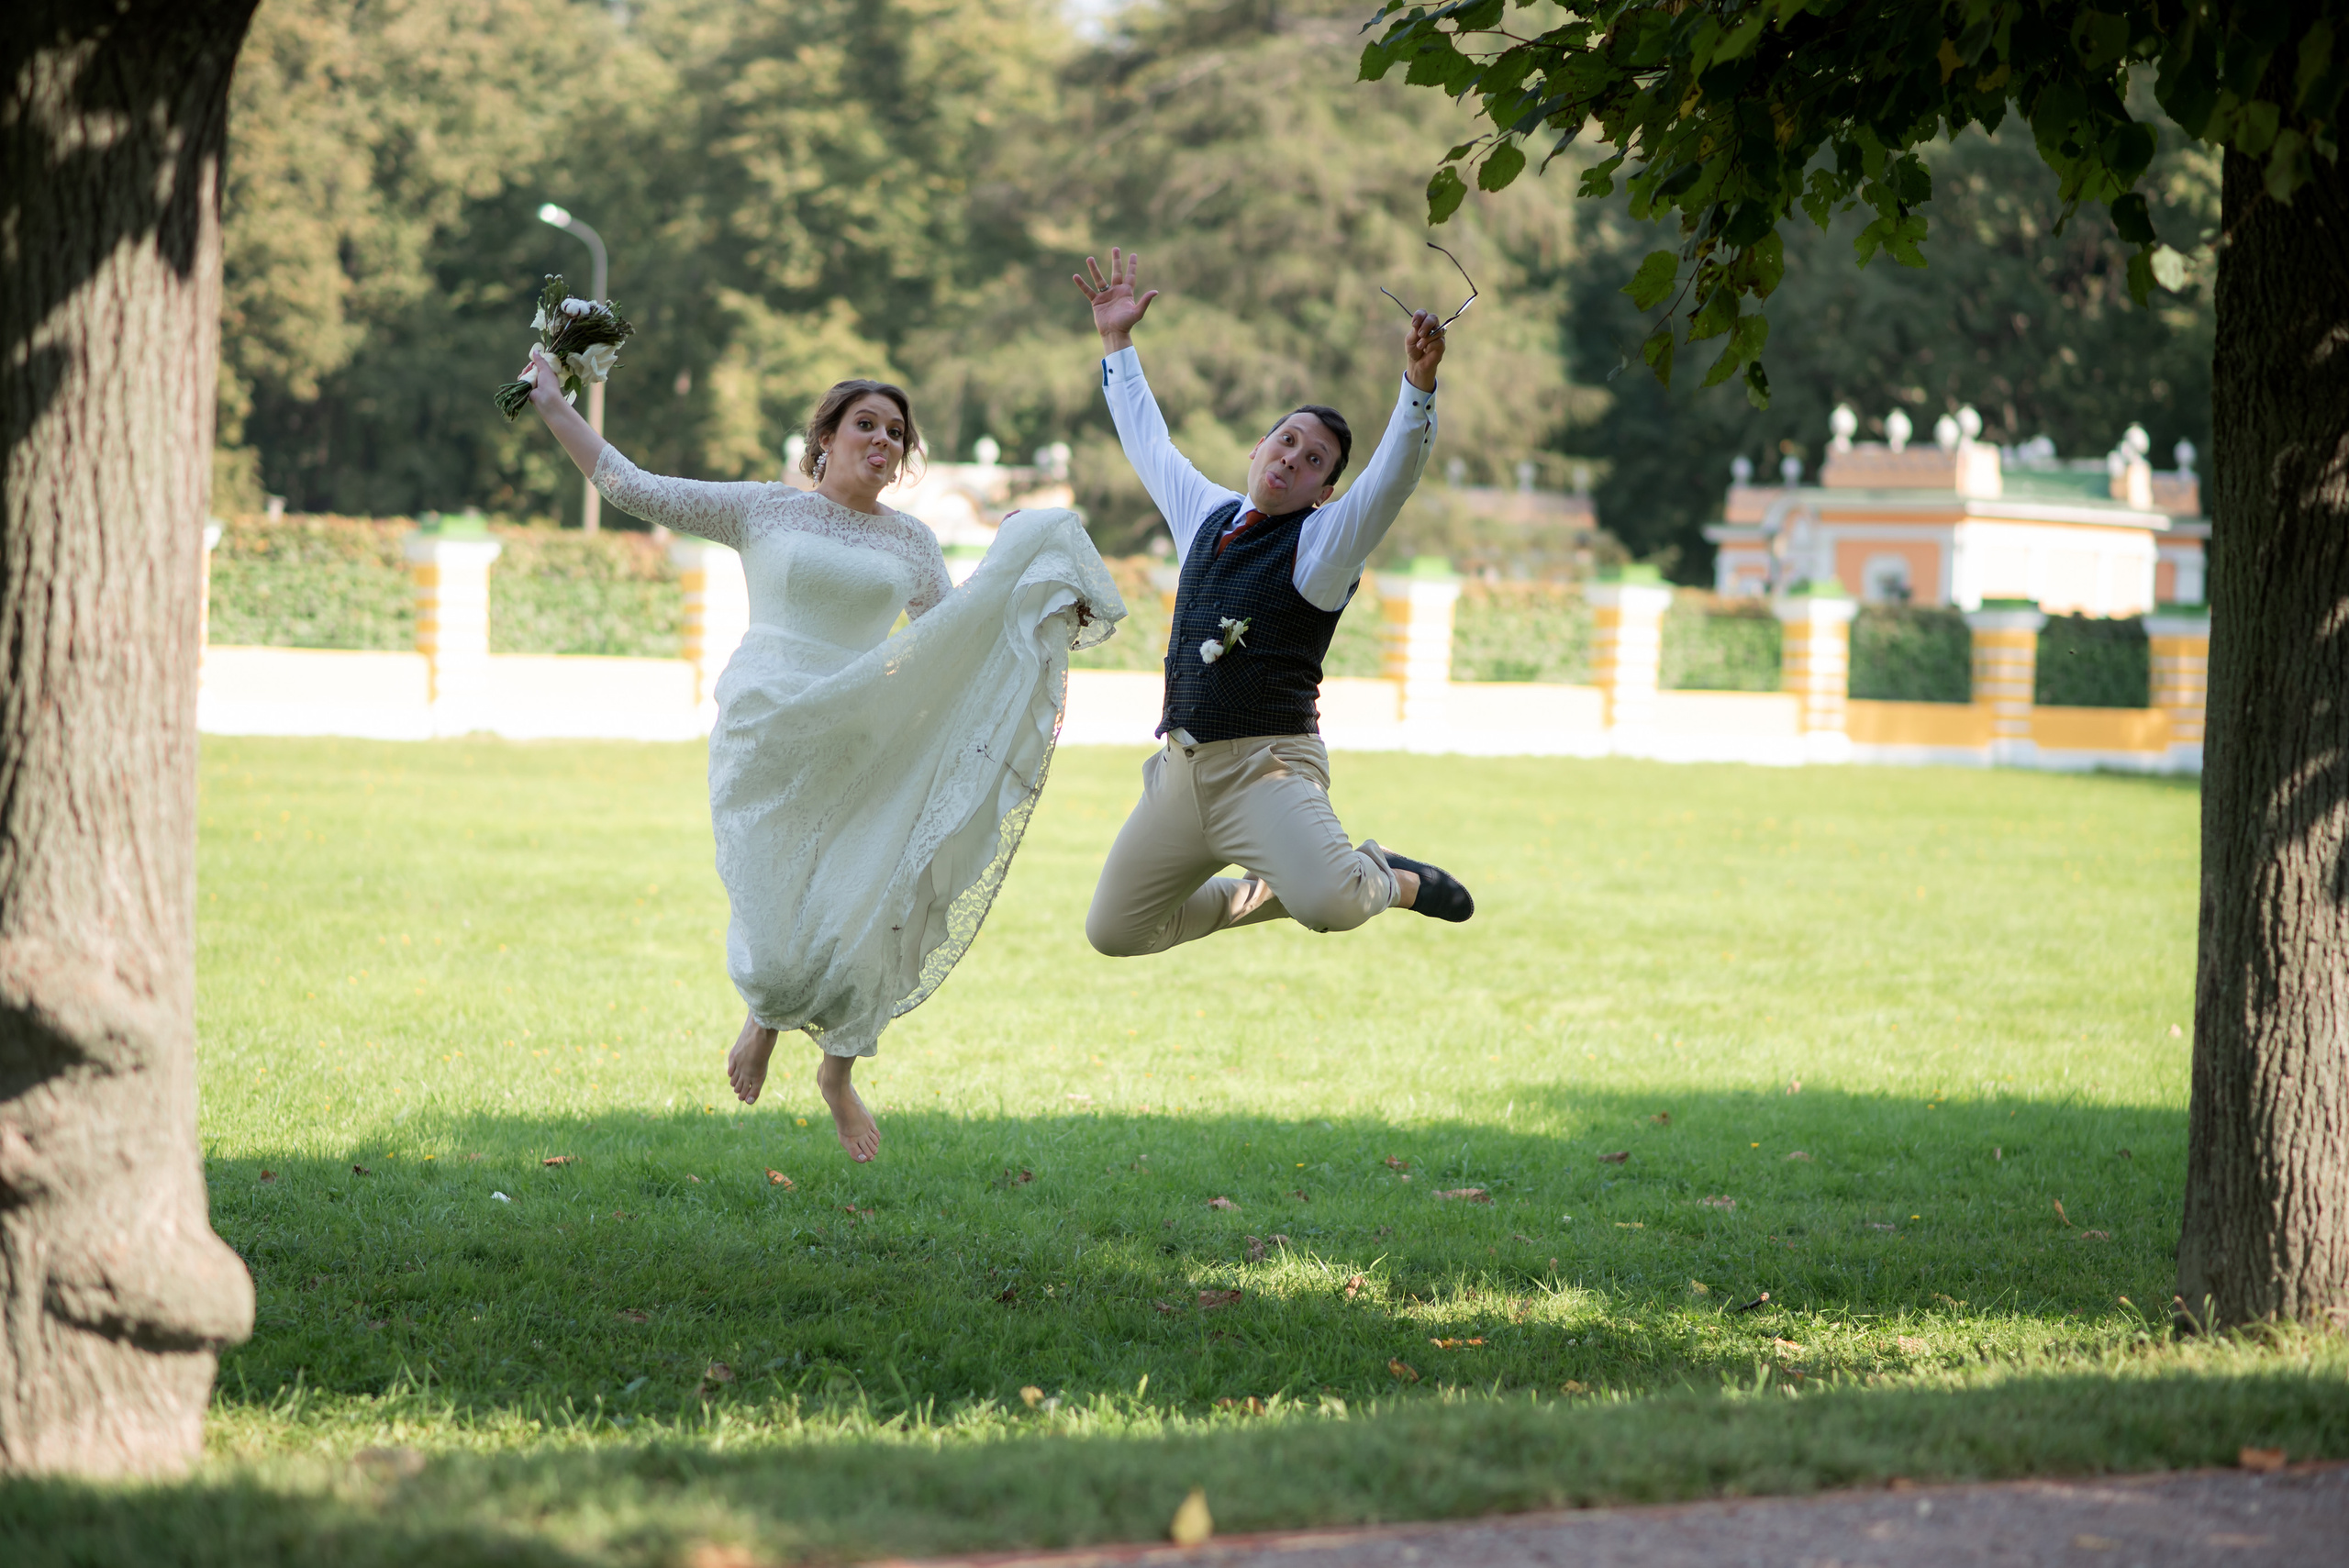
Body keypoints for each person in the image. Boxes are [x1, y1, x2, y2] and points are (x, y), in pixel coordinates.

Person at [518, 345, 1122, 1161]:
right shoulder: (764, 510)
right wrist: (554, 401)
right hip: (766, 730)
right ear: (825, 439)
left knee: (858, 907)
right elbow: (632, 485)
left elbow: (956, 637)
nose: (881, 440)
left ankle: (837, 1074)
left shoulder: (910, 542)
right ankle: (765, 1012)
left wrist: (1030, 580)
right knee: (772, 922)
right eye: (864, 425)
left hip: (860, 735)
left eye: (895, 433)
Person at [1071, 250, 1474, 961]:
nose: (1292, 458)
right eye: (1286, 441)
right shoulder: (1206, 511)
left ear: (1322, 493)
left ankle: (1388, 876)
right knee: (1116, 932)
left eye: (1314, 460)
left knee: (1331, 902)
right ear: (1259, 447)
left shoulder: (1321, 543)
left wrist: (1418, 384)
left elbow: (1389, 481)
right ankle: (1263, 891)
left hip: (1268, 770)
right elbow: (1148, 442)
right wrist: (1116, 342)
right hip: (1181, 774)